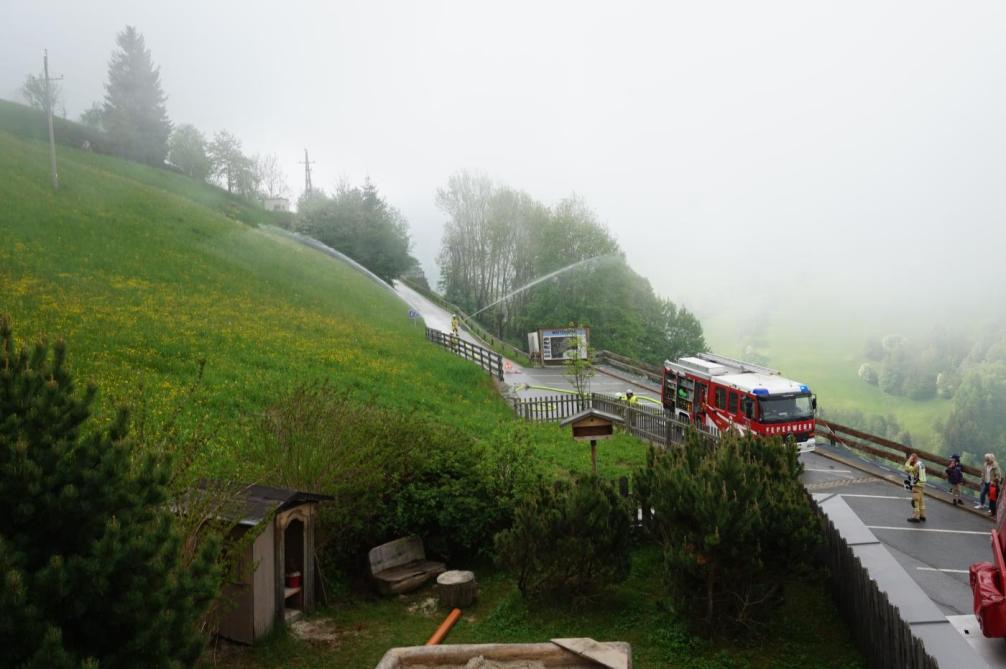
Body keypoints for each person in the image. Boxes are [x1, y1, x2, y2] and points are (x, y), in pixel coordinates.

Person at [905, 453, 927, 523]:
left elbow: (907, 469)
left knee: (916, 500)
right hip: (922, 483)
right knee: (921, 500)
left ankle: (916, 517)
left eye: (911, 460)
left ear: (913, 459)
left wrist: (908, 460)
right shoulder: (921, 464)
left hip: (917, 484)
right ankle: (922, 515)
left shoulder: (916, 465)